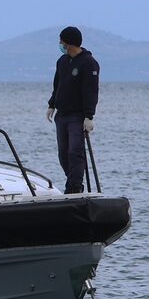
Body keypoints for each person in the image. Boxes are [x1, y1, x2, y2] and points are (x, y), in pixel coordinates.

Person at [46, 26, 99, 194]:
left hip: (78, 116)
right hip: (62, 115)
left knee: (75, 152)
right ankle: (74, 183)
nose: (60, 44)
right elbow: (57, 85)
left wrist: (89, 116)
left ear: (69, 43)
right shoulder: (62, 61)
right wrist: (51, 104)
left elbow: (91, 91)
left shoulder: (89, 63)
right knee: (64, 155)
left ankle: (74, 188)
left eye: (62, 41)